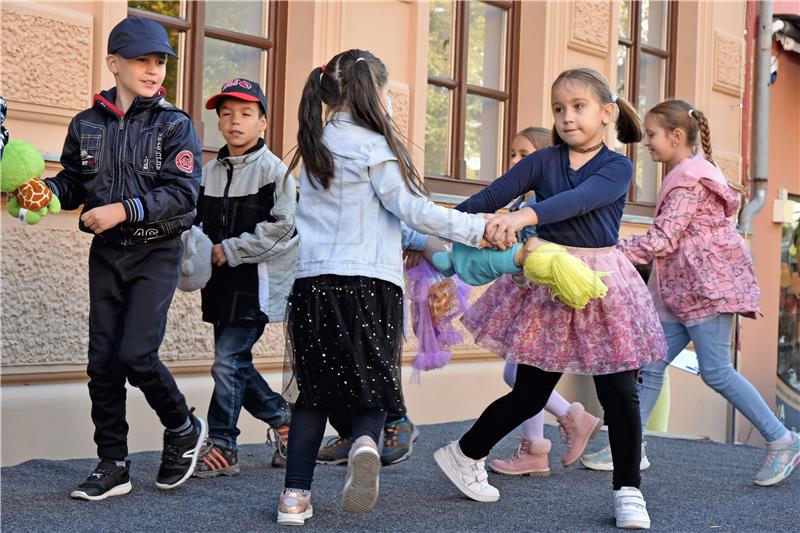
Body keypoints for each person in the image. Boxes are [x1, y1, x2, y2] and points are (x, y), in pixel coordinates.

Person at [432, 68, 666, 530]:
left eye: (578, 106)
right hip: (548, 281)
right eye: (559, 108)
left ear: (606, 113)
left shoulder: (617, 167)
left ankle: (628, 492)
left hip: (599, 283)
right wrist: (431, 228)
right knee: (530, 392)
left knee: (619, 393)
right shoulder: (543, 160)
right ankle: (464, 454)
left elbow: (579, 201)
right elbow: (490, 196)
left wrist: (523, 219)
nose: (567, 116)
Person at [277, 49, 488, 526]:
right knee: (373, 386)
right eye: (388, 90)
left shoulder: (313, 143)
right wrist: (475, 228)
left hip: (312, 285)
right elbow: (411, 210)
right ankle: (367, 444)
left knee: (312, 395)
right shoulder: (375, 147)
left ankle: (293, 498)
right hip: (370, 284)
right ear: (372, 92)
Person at [580, 99, 800, 487]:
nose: (646, 142)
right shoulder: (686, 173)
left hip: (705, 289)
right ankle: (632, 446)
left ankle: (781, 440)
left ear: (677, 136)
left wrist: (610, 254)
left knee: (717, 372)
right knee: (649, 366)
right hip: (678, 289)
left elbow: (664, 237)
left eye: (652, 135)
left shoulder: (689, 179)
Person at [44, 17, 206, 500]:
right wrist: (46, 191)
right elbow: (73, 183)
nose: (154, 69)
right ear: (114, 63)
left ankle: (181, 426)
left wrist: (124, 210)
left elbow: (184, 194)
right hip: (108, 256)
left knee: (137, 353)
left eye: (159, 61)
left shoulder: (174, 125)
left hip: (157, 251)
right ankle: (112, 463)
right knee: (103, 363)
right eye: (142, 60)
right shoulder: (85, 124)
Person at [462, 126, 602, 477]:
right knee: (523, 375)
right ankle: (537, 446)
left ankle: (567, 420)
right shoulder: (522, 203)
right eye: (513, 154)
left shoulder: (539, 205)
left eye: (524, 155)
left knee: (522, 375)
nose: (515, 161)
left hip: (539, 294)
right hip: (525, 291)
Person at [190, 79, 297, 478]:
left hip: (258, 284)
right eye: (227, 113)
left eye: (246, 113)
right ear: (218, 122)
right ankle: (286, 420)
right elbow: (194, 225)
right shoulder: (206, 173)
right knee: (232, 363)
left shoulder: (277, 173)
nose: (235, 121)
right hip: (218, 284)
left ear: (263, 123)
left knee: (227, 360)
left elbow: (284, 229)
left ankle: (223, 445)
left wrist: (230, 249)